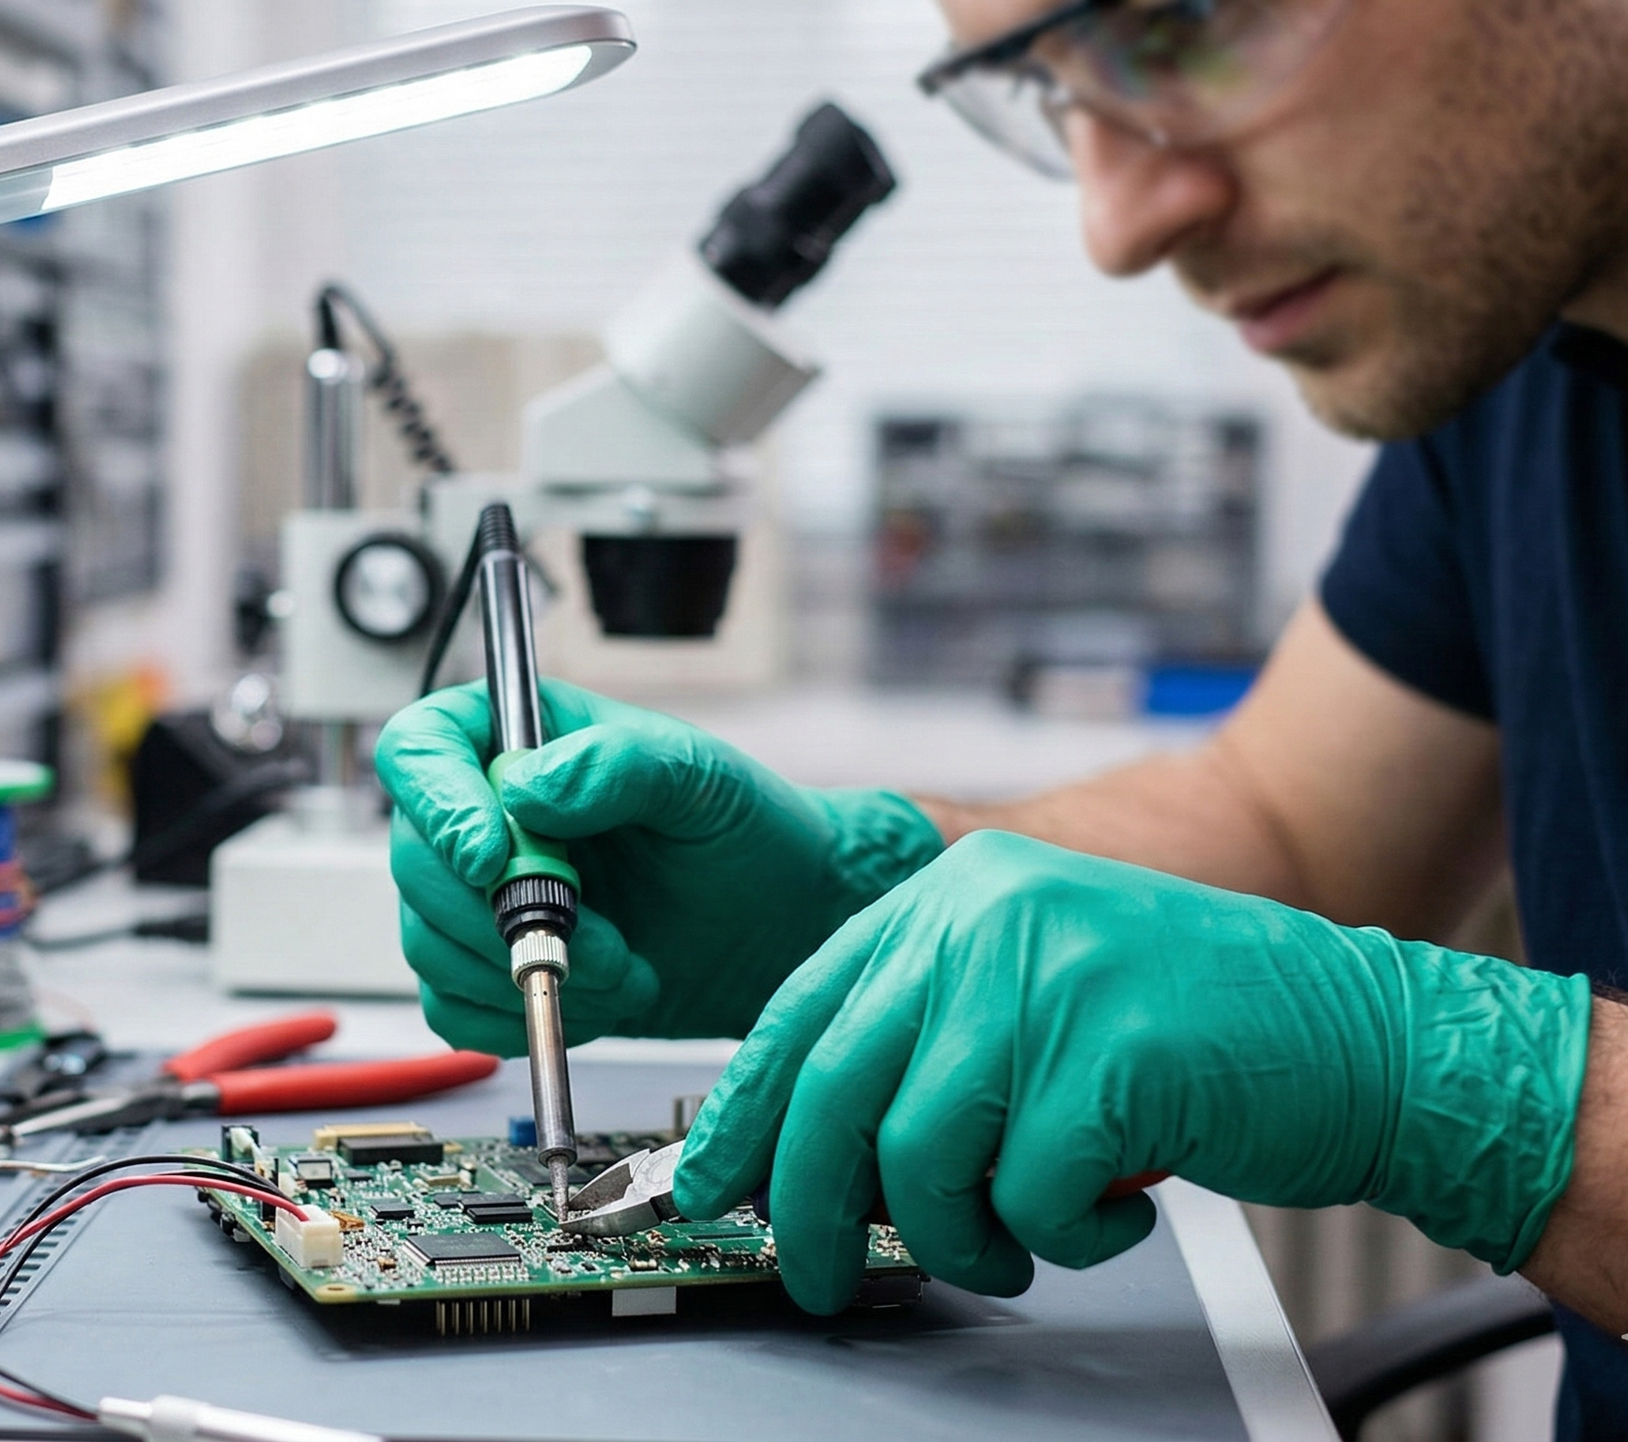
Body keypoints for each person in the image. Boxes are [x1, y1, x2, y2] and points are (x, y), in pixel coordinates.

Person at [375, 0, 1628, 1433]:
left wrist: (1462, 1087)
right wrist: (849, 889)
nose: (1121, 224)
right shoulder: (1514, 333)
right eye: (1046, 91)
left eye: (1190, 22)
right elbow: (1295, 818)